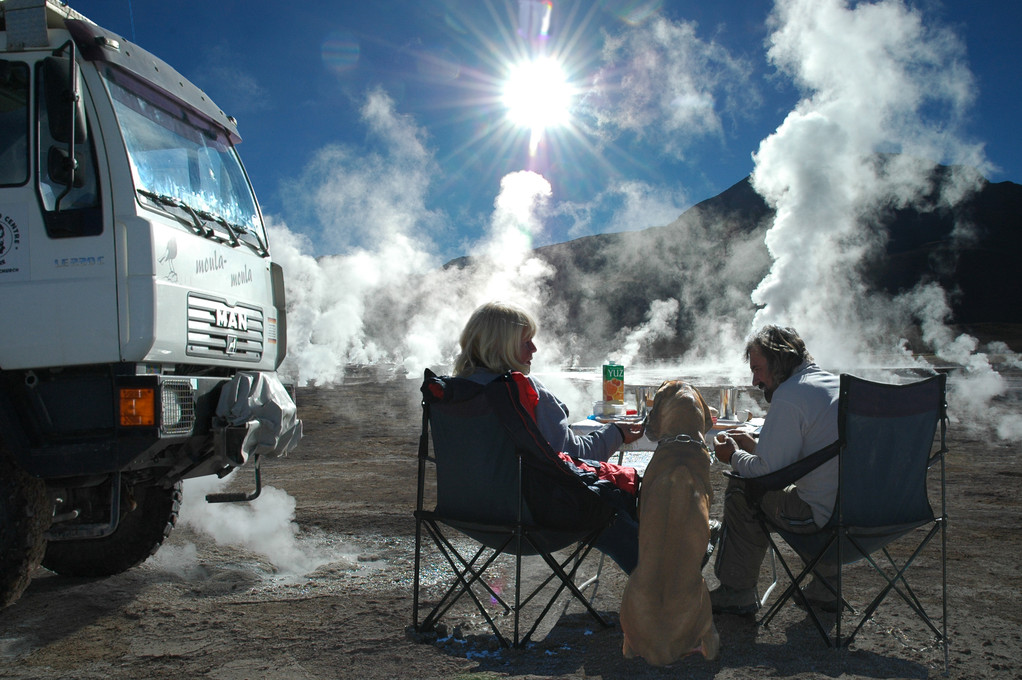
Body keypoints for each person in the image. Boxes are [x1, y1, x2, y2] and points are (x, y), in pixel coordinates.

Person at [454, 301, 645, 573]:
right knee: (615, 501)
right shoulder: (520, 391)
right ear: (501, 344)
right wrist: (616, 432)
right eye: (525, 341)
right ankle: (663, 588)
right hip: (535, 517)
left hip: (469, 513)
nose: (534, 349)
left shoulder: (453, 393)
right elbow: (569, 458)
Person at [709, 325, 840, 615]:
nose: (755, 379)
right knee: (759, 478)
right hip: (861, 513)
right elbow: (804, 457)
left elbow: (764, 473)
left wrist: (733, 456)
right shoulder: (834, 385)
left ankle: (737, 591)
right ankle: (827, 585)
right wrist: (755, 449)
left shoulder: (791, 395)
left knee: (742, 487)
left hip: (821, 517)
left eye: (757, 369)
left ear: (778, 361)